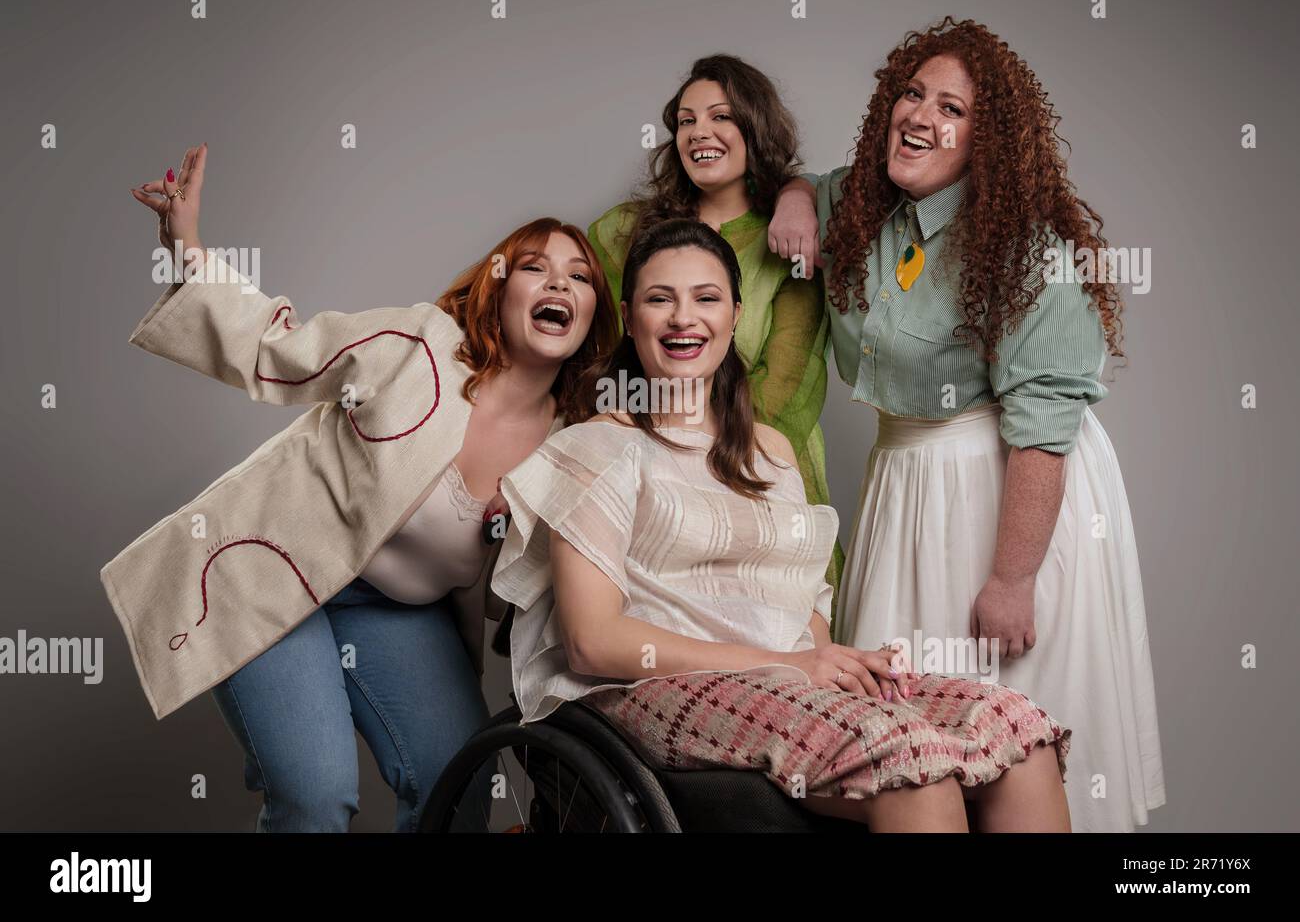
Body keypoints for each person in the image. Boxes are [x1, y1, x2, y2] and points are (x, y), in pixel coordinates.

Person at [490, 218, 1071, 832]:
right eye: (661, 299)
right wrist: (783, 663)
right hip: (652, 687)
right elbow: (592, 640)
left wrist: (833, 661)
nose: (684, 318)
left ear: (735, 314)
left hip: (786, 677)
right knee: (910, 756)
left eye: (706, 298)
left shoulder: (770, 452)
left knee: (1015, 729)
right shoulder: (597, 448)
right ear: (631, 318)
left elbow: (799, 601)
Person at [102, 142, 617, 831]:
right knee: (316, 796)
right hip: (272, 576)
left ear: (591, 312)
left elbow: (533, 601)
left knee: (459, 783)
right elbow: (275, 347)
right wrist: (187, 244)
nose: (559, 285)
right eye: (536, 268)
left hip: (400, 613)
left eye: (579, 277)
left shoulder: (570, 444)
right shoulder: (417, 347)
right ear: (500, 289)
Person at [766, 17, 1164, 831]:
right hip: (905, 478)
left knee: (1018, 716)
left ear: (989, 141)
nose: (921, 116)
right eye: (912, 94)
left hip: (1010, 484)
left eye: (952, 108)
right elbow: (809, 180)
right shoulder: (864, 206)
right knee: (907, 738)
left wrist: (1013, 577)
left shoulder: (1029, 253)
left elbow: (1044, 430)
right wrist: (798, 200)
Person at [587, 56, 843, 619]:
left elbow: (788, 392)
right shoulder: (624, 233)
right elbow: (602, 359)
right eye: (685, 121)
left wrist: (702, 473)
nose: (699, 132)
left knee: (784, 652)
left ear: (756, 127)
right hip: (646, 463)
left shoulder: (792, 239)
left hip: (760, 464)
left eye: (720, 116)